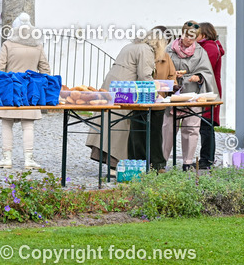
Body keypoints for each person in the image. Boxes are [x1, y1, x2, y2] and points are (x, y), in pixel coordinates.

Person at [86, 31, 156, 171]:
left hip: (112, 83)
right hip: (124, 89)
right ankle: (115, 165)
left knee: (107, 121)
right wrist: (155, 92)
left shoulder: (130, 46)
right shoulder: (145, 49)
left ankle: (106, 159)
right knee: (120, 125)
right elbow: (144, 75)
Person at [0, 13, 50, 169]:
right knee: (28, 125)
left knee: (6, 124)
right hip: (30, 90)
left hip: (11, 89)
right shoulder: (37, 46)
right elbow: (45, 69)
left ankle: (7, 158)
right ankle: (29, 159)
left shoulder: (8, 44)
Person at [161, 21, 217, 170]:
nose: (189, 40)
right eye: (187, 36)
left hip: (192, 94)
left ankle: (187, 162)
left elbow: (207, 72)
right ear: (182, 33)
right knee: (168, 128)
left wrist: (199, 76)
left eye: (193, 37)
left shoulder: (200, 52)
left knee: (191, 128)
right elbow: (161, 67)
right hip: (173, 94)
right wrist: (172, 74)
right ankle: (162, 161)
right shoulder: (169, 49)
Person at [127, 26, 176, 171]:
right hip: (140, 100)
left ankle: (158, 164)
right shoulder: (144, 52)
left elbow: (172, 76)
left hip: (158, 101)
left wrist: (168, 89)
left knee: (156, 133)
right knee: (137, 132)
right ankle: (139, 164)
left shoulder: (166, 57)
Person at [196, 22, 224, 169]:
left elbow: (205, 69)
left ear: (204, 35)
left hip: (209, 90)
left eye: (197, 34)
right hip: (209, 89)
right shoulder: (209, 46)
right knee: (206, 125)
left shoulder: (210, 48)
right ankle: (206, 159)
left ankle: (206, 160)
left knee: (206, 125)